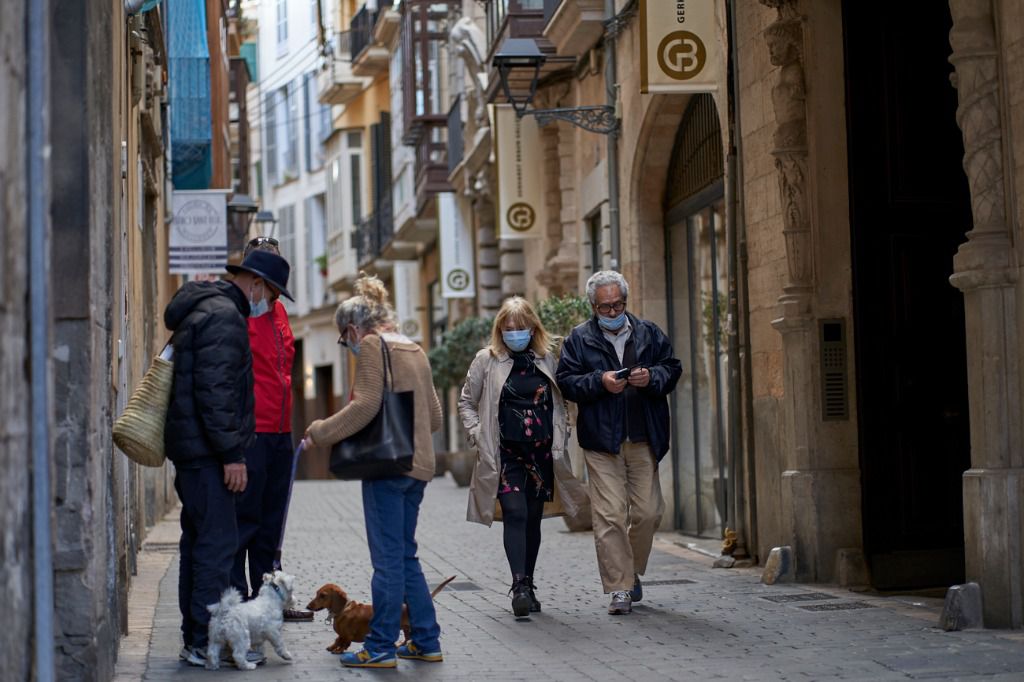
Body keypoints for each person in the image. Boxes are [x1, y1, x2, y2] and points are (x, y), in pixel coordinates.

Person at [303, 273, 444, 669]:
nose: (347, 345)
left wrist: (320, 431)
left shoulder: (370, 345)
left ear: (352, 329)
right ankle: (426, 640)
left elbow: (365, 406)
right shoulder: (414, 347)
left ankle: (380, 646)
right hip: (419, 467)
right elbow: (434, 416)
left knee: (387, 562)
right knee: (406, 557)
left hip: (388, 469)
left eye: (343, 338)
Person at [556, 271, 682, 615]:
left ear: (625, 301)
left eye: (618, 305)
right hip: (601, 441)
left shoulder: (648, 332)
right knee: (610, 515)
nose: (612, 312)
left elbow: (672, 369)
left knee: (648, 512)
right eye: (605, 307)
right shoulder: (578, 339)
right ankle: (620, 588)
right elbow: (566, 381)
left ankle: (631, 570)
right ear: (593, 306)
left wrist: (651, 377)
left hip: (643, 435)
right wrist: (600, 381)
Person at [458, 297, 587, 618]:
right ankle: (518, 586)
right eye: (509, 328)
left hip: (541, 452)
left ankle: (528, 584)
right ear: (500, 329)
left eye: (521, 327)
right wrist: (477, 434)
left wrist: (564, 430)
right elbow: (467, 402)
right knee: (514, 512)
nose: (514, 333)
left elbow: (561, 401)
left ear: (533, 328)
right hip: (505, 452)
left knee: (532, 517)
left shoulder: (547, 359)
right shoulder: (487, 360)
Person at [163, 270, 262, 667]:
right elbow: (216, 391)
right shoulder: (224, 317)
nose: (267, 303)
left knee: (198, 544)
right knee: (216, 548)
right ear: (256, 284)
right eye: (271, 294)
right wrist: (232, 455)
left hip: (193, 452)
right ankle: (206, 641)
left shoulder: (201, 309)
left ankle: (195, 638)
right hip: (208, 455)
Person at [226, 240, 312, 621]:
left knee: (272, 524)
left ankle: (269, 603)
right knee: (244, 521)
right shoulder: (237, 313)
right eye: (269, 283)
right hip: (252, 433)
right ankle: (238, 605)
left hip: (280, 433)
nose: (273, 293)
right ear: (254, 280)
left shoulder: (278, 312)